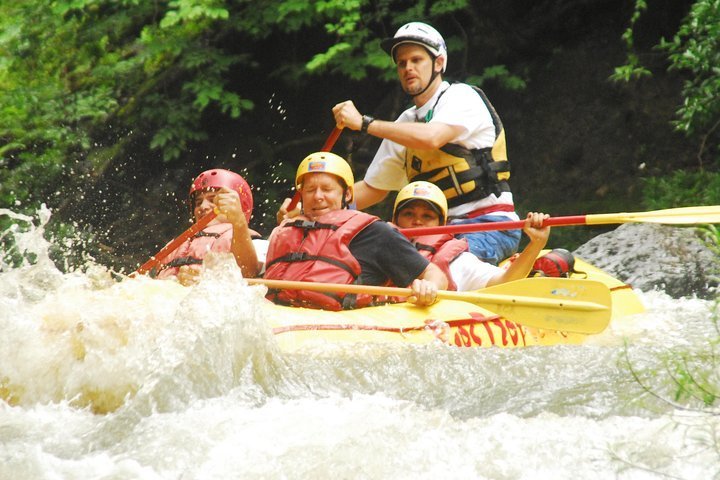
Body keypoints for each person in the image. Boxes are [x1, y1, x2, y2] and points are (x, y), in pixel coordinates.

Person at [332, 21, 519, 265]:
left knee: (434, 264)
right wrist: (313, 205)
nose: (408, 68)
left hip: (488, 226)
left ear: (439, 63)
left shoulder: (463, 97)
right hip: (434, 233)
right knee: (355, 261)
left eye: (416, 60)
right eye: (402, 63)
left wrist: (364, 124)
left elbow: (432, 137)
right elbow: (373, 189)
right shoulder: (406, 122)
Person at [264, 152, 448, 310]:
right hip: (282, 314)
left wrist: (429, 287)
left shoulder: (375, 233)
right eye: (310, 189)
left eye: (327, 189)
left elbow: (435, 274)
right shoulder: (286, 232)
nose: (318, 197)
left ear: (347, 194)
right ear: (302, 194)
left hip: (337, 324)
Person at [392, 181, 550, 291]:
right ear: (395, 220)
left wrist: (536, 244)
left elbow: (505, 282)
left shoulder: (460, 261)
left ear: (441, 224)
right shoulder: (378, 249)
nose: (417, 221)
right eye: (408, 214)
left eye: (427, 216)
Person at [156, 169, 267, 285]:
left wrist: (205, 282)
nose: (202, 207)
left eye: (213, 199)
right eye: (198, 203)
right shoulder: (174, 246)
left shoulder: (257, 244)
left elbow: (249, 273)